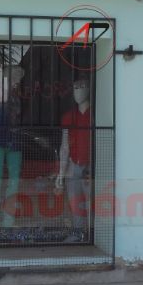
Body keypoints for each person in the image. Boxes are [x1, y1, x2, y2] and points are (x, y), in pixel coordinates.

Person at [55, 75, 93, 240]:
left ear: (89, 89)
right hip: (73, 165)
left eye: (82, 87)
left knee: (92, 203)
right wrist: (61, 174)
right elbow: (65, 146)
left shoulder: (96, 115)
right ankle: (79, 234)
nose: (78, 91)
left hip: (91, 166)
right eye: (75, 88)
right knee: (75, 203)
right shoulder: (68, 117)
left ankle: (95, 236)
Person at [0, 65, 25, 227]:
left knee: (13, 181)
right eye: (15, 76)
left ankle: (8, 220)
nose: (18, 80)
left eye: (19, 77)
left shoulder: (18, 96)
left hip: (14, 141)